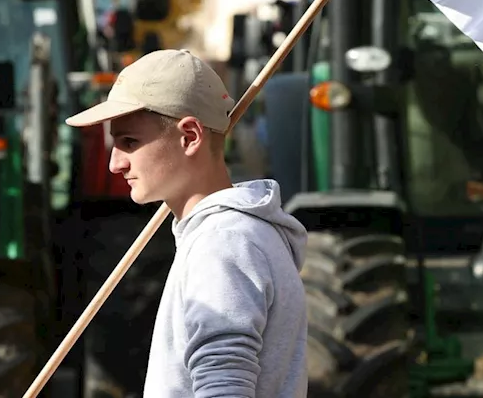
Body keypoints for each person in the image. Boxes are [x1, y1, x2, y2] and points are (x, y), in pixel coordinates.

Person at [66, 49, 308, 398]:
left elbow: (224, 390)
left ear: (190, 136)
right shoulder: (231, 236)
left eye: (129, 142)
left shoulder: (223, 245)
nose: (115, 164)